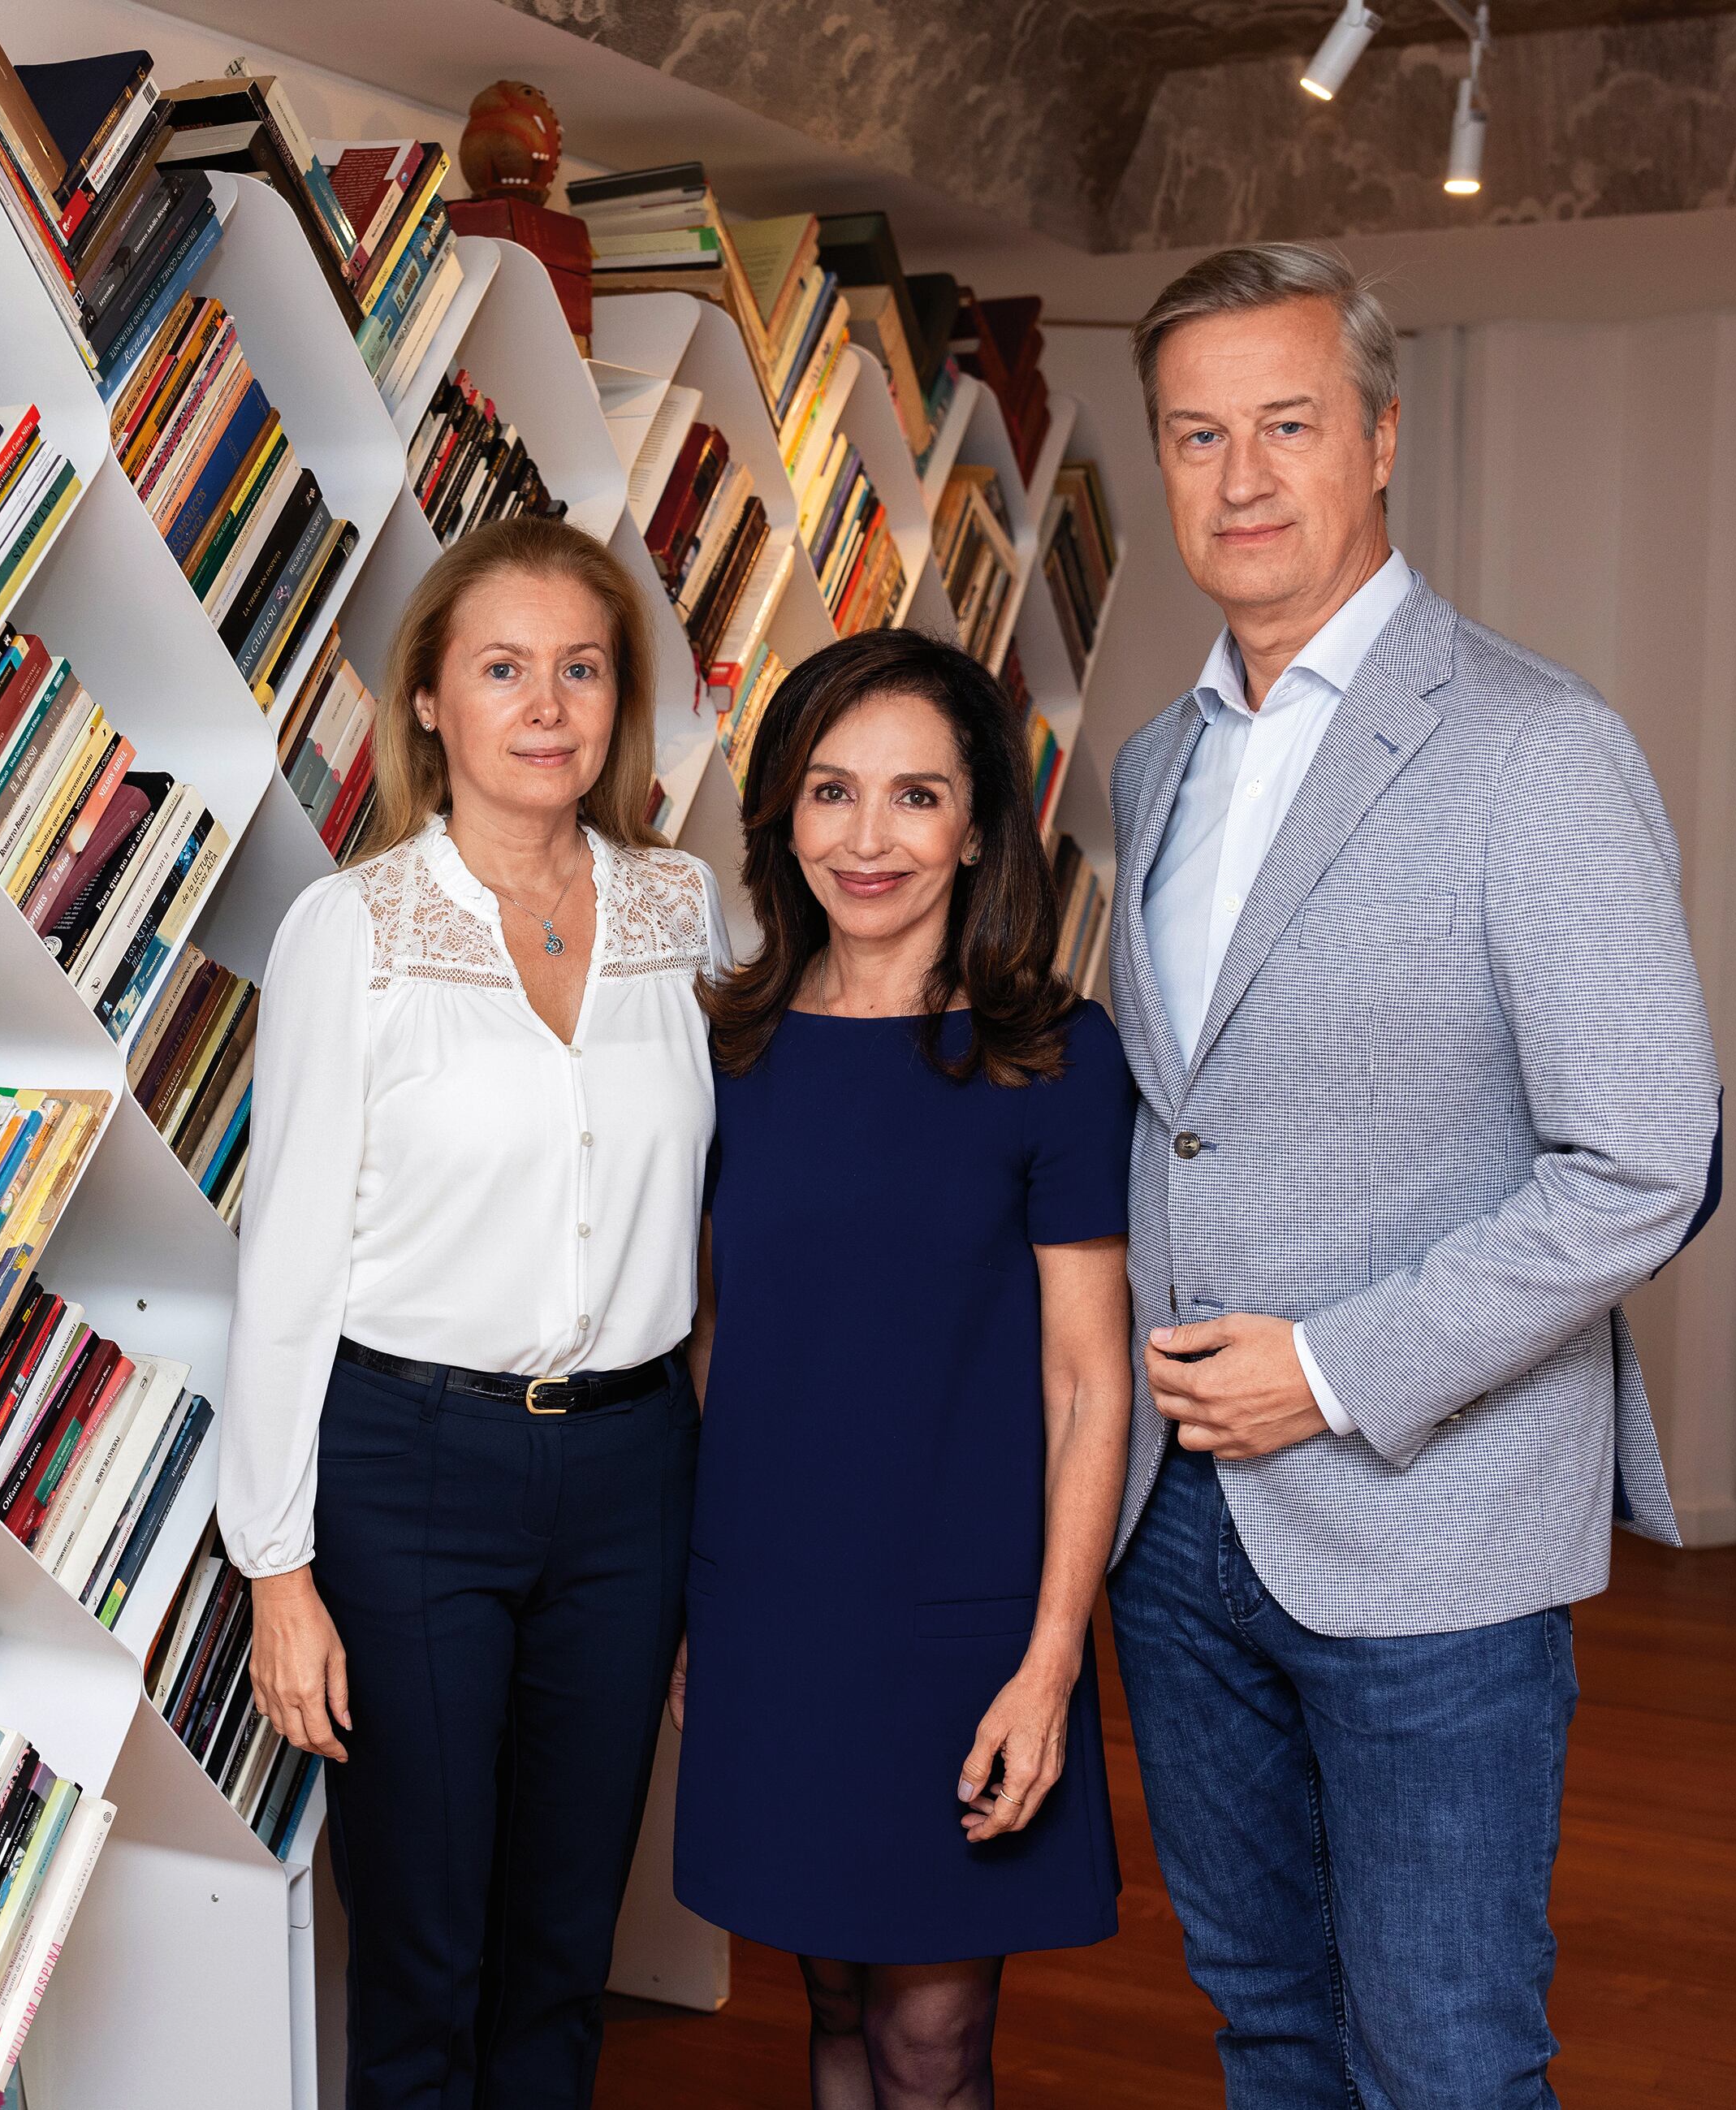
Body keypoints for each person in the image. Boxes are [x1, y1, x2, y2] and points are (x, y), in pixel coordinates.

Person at [1101, 242, 1721, 2107]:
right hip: (1175, 1523)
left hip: (1429, 1522)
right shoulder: (1151, 766)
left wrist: (1338, 1369)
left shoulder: (1535, 748)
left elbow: (1642, 1164)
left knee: (1443, 2060)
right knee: (1267, 2026)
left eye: (1285, 424)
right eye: (1195, 435)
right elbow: (1183, 1110)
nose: (1239, 478)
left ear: (1377, 439)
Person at [218, 515, 726, 2110]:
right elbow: (286, 1258)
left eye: (579, 669)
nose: (547, 705)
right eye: (502, 668)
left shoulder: (684, 914)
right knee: (428, 1945)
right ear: (430, 701)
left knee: (564, 1937)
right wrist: (278, 1570)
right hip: (410, 1474)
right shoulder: (353, 930)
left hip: (634, 1471)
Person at [674, 628, 1138, 2110]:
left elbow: (1088, 1382)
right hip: (773, 1606)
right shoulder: (730, 1045)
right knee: (824, 2000)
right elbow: (713, 1340)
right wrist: (697, 1610)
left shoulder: (1053, 1054)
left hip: (964, 1624)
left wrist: (1053, 1661)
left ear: (981, 827)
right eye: (831, 792)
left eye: (917, 796)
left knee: (931, 2043)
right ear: (782, 820)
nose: (869, 840)